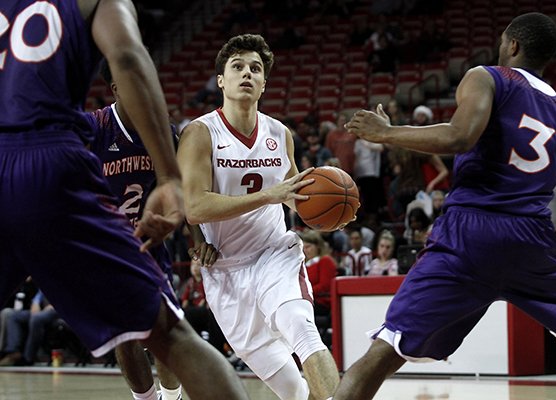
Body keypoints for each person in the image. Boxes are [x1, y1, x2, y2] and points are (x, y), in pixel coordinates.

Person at [335, 13, 556, 399]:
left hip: (472, 230)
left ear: (512, 45)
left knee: (389, 345)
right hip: (534, 239)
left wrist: (387, 133)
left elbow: (460, 137)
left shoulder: (487, 75)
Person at [0, 1, 248, 399]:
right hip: (48, 161)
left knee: (148, 332)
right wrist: (169, 177)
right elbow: (129, 56)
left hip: (142, 236)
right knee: (170, 334)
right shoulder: (98, 123)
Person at [177, 34, 341, 400]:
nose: (247, 73)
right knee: (290, 389)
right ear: (221, 80)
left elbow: (296, 196)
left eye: (256, 68)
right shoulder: (200, 133)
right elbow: (195, 207)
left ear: (264, 83)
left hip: (274, 254)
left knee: (302, 328)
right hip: (226, 271)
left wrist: (326, 214)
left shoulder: (280, 133)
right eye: (237, 67)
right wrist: (268, 196)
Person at [86, 60, 183, 400]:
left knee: (166, 333)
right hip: (105, 250)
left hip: (150, 247)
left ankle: (171, 398)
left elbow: (185, 192)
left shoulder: (165, 131)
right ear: (116, 89)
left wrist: (198, 239)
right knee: (125, 337)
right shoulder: (94, 128)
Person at [0, 291, 59, 366]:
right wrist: (35, 302)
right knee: (10, 315)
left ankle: (28, 358)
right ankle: (13, 352)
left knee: (36, 318)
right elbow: (40, 294)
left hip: (58, 310)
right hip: (42, 310)